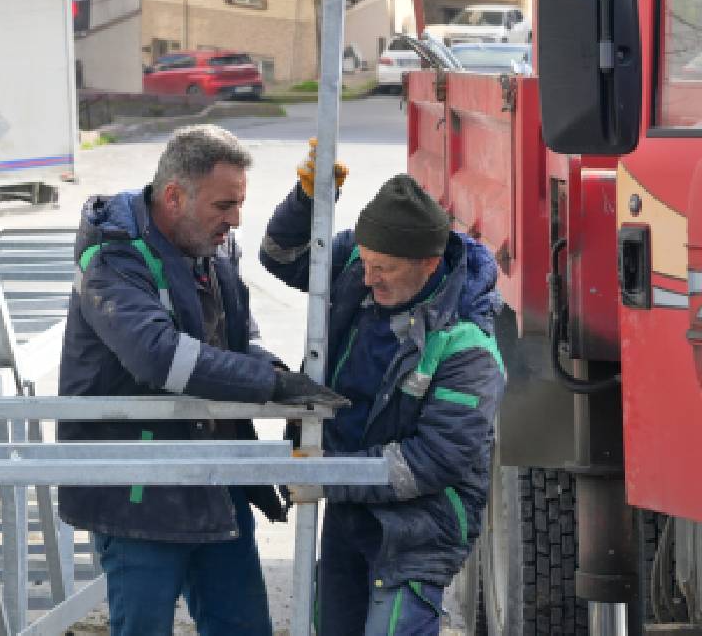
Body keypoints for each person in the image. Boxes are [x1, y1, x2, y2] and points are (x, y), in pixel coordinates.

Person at [58, 124, 349, 636]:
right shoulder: (112, 256)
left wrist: (278, 373)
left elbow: (235, 345)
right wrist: (270, 386)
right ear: (174, 195)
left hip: (213, 480)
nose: (235, 221)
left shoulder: (212, 248)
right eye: (223, 205)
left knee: (244, 628)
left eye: (239, 204)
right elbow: (158, 356)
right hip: (138, 493)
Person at [260, 163, 506, 634]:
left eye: (384, 269)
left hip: (419, 526)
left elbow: (435, 460)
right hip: (350, 506)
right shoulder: (363, 261)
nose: (368, 278)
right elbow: (282, 256)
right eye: (366, 262)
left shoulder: (466, 346)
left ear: (429, 264)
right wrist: (308, 199)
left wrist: (327, 476)